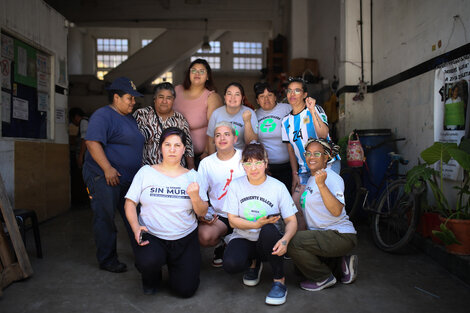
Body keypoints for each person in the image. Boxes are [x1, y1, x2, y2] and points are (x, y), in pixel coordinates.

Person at [124, 127, 209, 297]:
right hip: (153, 235)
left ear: (184, 149)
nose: (172, 149)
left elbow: (202, 212)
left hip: (184, 238)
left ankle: (176, 266)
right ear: (160, 147)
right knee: (148, 262)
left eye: (177, 145)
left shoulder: (193, 176)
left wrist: (194, 197)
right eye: (167, 144)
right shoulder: (146, 172)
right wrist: (135, 228)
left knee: (185, 291)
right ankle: (151, 276)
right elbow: (130, 203)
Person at [82, 77, 145, 273]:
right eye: (129, 98)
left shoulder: (129, 118)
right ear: (116, 97)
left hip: (127, 180)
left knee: (134, 217)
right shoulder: (103, 115)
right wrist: (107, 168)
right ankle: (107, 260)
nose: (133, 102)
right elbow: (92, 142)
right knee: (105, 218)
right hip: (105, 178)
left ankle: (143, 257)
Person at [222, 142, 298, 306]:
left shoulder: (277, 187)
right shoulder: (236, 186)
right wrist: (256, 224)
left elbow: (292, 221)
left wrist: (285, 240)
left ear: (266, 163)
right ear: (243, 165)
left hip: (269, 243)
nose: (253, 168)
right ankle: (253, 263)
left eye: (258, 162)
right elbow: (232, 221)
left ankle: (279, 281)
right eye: (248, 163)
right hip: (244, 237)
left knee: (269, 230)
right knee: (230, 264)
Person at [288, 138, 358, 291]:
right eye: (308, 153)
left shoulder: (331, 178)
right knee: (299, 269)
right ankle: (341, 264)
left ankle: (323, 278)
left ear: (326, 157)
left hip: (340, 236)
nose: (311, 157)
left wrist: (322, 185)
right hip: (323, 235)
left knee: (293, 242)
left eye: (316, 153)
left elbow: (336, 210)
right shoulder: (313, 178)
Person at [281, 77, 339, 224]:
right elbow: (291, 149)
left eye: (297, 90)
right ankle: (303, 242)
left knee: (323, 206)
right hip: (304, 171)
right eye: (289, 91)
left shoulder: (314, 109)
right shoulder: (285, 121)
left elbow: (323, 134)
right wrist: (295, 174)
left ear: (305, 94)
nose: (292, 94)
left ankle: (327, 239)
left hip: (327, 165)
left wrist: (312, 111)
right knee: (295, 207)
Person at [197, 121, 246, 267]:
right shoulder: (206, 163)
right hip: (222, 215)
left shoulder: (245, 157)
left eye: (227, 134)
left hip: (245, 213)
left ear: (235, 139)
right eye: (218, 135)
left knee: (239, 260)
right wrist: (203, 215)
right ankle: (222, 244)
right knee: (204, 236)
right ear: (213, 140)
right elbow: (201, 195)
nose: (222, 138)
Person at [173, 59, 223, 167]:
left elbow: (214, 128)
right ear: (189, 74)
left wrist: (206, 152)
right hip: (174, 153)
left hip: (200, 156)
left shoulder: (211, 97)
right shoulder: (176, 91)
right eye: (194, 70)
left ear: (208, 76)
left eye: (202, 71)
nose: (197, 74)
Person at [134, 82, 195, 169]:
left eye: (168, 98)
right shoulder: (142, 115)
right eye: (161, 97)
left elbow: (188, 146)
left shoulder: (180, 119)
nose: (164, 101)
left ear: (173, 100)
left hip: (175, 172)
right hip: (149, 170)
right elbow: (131, 141)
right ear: (154, 99)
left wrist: (191, 168)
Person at [254, 82, 292, 191]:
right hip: (267, 169)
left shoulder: (287, 109)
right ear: (257, 100)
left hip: (288, 166)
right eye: (262, 96)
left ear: (275, 97)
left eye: (269, 95)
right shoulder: (255, 115)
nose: (266, 99)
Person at [207, 82, 258, 154]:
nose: (232, 98)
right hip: (221, 156)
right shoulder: (216, 113)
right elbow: (211, 141)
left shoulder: (249, 112)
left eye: (237, 94)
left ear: (242, 98)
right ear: (224, 97)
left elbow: (251, 143)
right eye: (229, 94)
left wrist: (247, 121)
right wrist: (212, 161)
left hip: (242, 157)